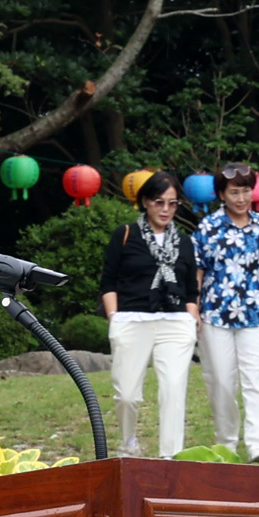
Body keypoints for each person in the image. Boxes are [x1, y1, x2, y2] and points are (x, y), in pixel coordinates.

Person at [193, 160, 259, 460]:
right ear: (222, 194)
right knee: (220, 381)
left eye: (246, 191)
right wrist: (193, 309)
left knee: (256, 382)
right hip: (215, 314)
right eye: (234, 192)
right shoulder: (208, 227)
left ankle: (258, 447)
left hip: (258, 315)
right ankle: (227, 442)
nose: (241, 198)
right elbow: (198, 272)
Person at [98, 172, 195, 457]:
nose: (165, 209)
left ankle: (171, 457)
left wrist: (191, 315)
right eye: (158, 202)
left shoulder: (185, 242)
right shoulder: (126, 234)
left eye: (172, 203)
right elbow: (108, 281)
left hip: (175, 323)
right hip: (131, 320)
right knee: (126, 394)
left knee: (174, 389)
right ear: (145, 202)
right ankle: (128, 441)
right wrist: (114, 316)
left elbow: (191, 287)